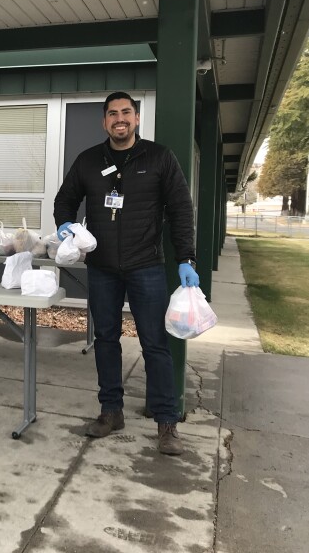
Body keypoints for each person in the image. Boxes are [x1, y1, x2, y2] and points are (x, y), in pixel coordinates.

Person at [53, 91, 199, 456]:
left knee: (155, 344)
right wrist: (65, 226)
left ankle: (167, 423)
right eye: (113, 114)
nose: (120, 119)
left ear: (136, 119)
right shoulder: (89, 161)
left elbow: (181, 210)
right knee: (105, 339)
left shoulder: (159, 157)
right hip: (102, 268)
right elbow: (64, 199)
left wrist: (186, 259)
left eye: (126, 113)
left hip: (146, 266)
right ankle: (111, 411)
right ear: (105, 121)